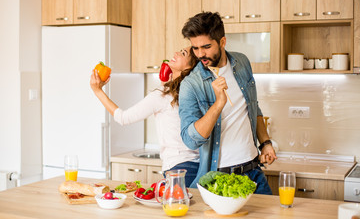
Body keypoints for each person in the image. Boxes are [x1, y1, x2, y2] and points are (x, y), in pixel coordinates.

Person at [178, 12, 277, 193]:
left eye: (206, 47)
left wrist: (265, 143)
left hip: (254, 171)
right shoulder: (191, 85)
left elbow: (253, 107)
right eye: (195, 48)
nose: (200, 54)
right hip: (220, 178)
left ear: (222, 42)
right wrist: (218, 104)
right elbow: (190, 140)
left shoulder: (242, 62)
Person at [90, 47, 199, 187]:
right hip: (197, 166)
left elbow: (123, 118)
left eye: (183, 53)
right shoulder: (192, 93)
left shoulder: (163, 95)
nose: (175, 53)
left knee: (176, 208)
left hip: (177, 167)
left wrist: (97, 91)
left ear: (190, 67)